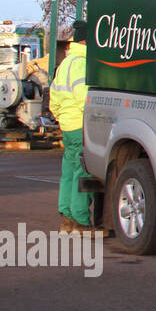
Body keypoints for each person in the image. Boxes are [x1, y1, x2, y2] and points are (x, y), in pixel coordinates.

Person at [50, 20, 94, 233]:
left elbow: (54, 100)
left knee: (68, 172)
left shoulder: (66, 63)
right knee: (83, 173)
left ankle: (66, 220)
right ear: (87, 40)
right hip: (80, 126)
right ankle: (81, 222)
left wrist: (62, 119)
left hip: (68, 126)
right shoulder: (81, 64)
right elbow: (84, 98)